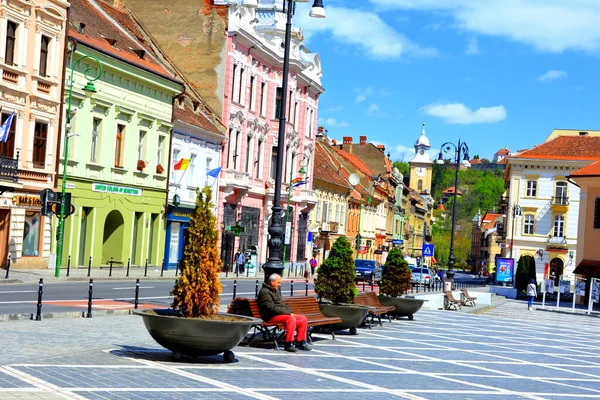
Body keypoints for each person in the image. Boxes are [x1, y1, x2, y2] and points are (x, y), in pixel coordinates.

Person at [257, 273, 311, 353]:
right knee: (290, 319)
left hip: (279, 314)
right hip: (270, 316)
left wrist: (289, 312)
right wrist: (288, 313)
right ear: (272, 282)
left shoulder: (274, 290)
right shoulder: (264, 292)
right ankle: (288, 343)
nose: (280, 284)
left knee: (302, 319)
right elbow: (271, 308)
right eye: (278, 282)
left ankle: (301, 341)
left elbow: (281, 304)